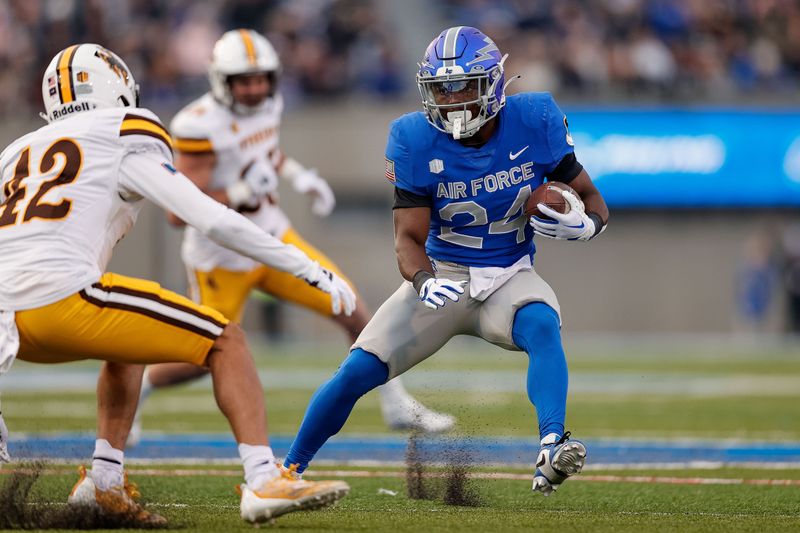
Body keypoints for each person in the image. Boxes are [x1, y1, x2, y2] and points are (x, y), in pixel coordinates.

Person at [0, 43, 354, 525]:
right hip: (61, 300)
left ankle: (102, 482)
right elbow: (210, 219)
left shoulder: (16, 151)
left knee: (127, 340)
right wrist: (302, 263)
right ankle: (264, 478)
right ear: (118, 85)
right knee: (226, 339)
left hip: (8, 323)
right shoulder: (121, 130)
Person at [282, 26, 609, 496]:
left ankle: (553, 444)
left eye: (464, 86)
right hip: (443, 279)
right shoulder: (413, 138)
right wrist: (423, 279)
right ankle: (286, 471)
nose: (452, 101)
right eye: (441, 89)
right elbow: (407, 239)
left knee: (541, 323)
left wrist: (587, 226)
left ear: (494, 85)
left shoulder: (535, 117)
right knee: (356, 372)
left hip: (509, 276)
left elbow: (593, 199)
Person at [128, 28, 455, 445]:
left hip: (273, 238)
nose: (255, 89)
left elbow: (264, 150)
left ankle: (395, 402)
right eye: (244, 81)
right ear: (221, 81)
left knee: (351, 307)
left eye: (262, 79)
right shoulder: (199, 125)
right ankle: (141, 387)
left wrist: (298, 175)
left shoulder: (269, 104)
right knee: (205, 356)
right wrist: (240, 193)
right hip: (222, 257)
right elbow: (178, 212)